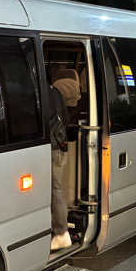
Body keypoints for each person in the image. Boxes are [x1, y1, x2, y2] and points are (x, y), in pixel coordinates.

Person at [49, 73, 81, 251]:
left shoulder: (51, 93)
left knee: (55, 191)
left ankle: (61, 234)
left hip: (54, 150)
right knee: (57, 190)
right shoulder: (58, 98)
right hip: (59, 148)